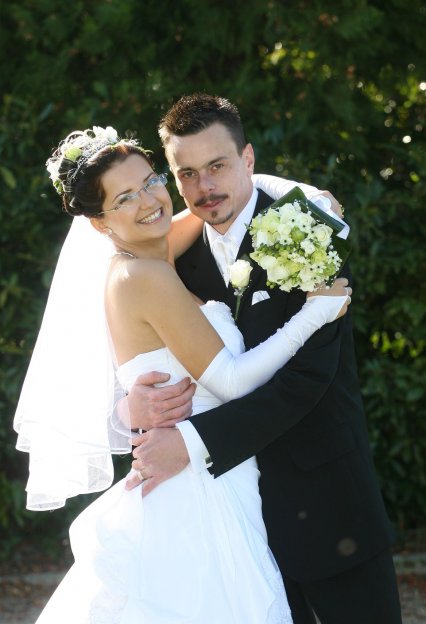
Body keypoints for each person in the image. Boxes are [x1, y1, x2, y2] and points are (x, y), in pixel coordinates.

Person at [14, 125, 352, 623]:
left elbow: (225, 195)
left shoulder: (157, 249)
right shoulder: (141, 275)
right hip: (194, 492)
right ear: (99, 223)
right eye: (124, 198)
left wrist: (305, 195)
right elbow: (231, 382)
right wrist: (316, 313)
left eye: (150, 181)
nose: (148, 200)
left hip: (221, 476)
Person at [124, 94, 402, 624]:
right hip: (234, 522)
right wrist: (129, 406)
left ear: (248, 158)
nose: (205, 187)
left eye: (217, 166)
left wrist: (193, 443)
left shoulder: (308, 231)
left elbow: (306, 380)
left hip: (329, 504)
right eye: (187, 174)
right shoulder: (173, 259)